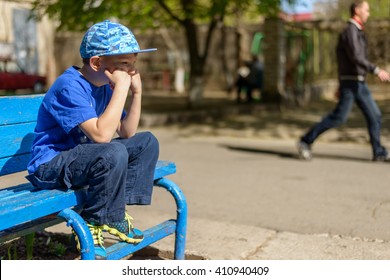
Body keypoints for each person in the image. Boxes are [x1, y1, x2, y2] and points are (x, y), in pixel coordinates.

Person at [26, 20, 159, 259]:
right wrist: (120, 89)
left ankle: (114, 213)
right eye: (124, 64)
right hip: (49, 166)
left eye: (133, 64)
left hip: (84, 160)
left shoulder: (105, 87)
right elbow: (101, 136)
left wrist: (136, 93)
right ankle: (97, 219)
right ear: (97, 62)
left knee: (146, 142)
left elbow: (126, 133)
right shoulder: (69, 86)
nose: (131, 71)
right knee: (112, 151)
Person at [298, 1, 390, 161]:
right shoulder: (350, 31)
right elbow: (355, 57)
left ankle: (379, 152)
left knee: (375, 115)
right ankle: (305, 141)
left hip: (359, 83)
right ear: (357, 10)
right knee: (339, 117)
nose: (368, 13)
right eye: (366, 10)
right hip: (351, 83)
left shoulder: (358, 31)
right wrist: (375, 70)